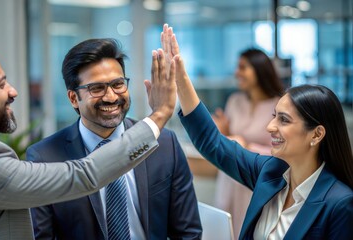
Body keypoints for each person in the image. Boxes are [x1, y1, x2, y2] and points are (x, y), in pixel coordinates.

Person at [0, 43, 177, 239]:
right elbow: (84, 175)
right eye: (1, 85)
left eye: (118, 84)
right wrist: (160, 114)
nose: (13, 92)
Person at [162, 24, 353, 239]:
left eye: (284, 120)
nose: (270, 127)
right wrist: (181, 79)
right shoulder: (270, 172)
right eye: (274, 116)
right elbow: (212, 142)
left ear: (317, 134)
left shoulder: (340, 202)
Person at [27, 38, 202, 240]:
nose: (111, 97)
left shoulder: (164, 144)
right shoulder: (45, 158)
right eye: (97, 88)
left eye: (118, 84)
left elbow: (188, 233)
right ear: (74, 98)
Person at [212, 48, 283, 238]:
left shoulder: (280, 105)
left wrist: (245, 145)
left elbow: (283, 151)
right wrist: (225, 133)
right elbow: (230, 139)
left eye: (243, 67)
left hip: (258, 178)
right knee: (226, 229)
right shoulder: (234, 101)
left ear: (259, 70)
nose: (237, 72)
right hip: (230, 176)